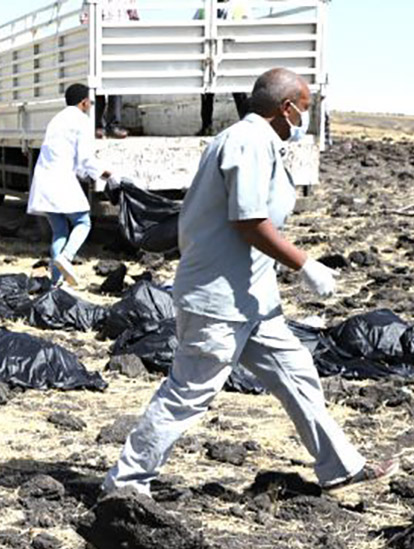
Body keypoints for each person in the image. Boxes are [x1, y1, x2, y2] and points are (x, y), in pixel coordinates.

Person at [102, 68, 398, 497]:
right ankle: (126, 484)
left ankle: (341, 466)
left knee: (297, 374)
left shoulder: (261, 143)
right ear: (286, 108)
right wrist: (305, 264)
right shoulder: (247, 142)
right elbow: (249, 222)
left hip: (254, 300)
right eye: (304, 111)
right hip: (218, 301)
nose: (305, 120)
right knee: (187, 394)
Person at [27, 83, 113, 288]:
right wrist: (102, 172)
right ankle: (66, 256)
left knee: (60, 231)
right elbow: (84, 157)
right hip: (60, 178)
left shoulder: (57, 119)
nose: (91, 106)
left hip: (44, 179)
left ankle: (56, 282)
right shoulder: (81, 121)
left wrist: (86, 172)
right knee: (83, 222)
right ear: (83, 102)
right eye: (90, 102)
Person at [82, 0, 139, 138]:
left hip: (119, 42)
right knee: (98, 86)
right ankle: (97, 125)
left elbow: (135, 18)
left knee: (116, 85)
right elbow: (84, 20)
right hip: (98, 43)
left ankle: (114, 126)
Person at [197, 0, 250, 135]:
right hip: (212, 57)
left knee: (239, 93)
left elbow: (247, 30)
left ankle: (248, 125)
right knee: (207, 92)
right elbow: (196, 28)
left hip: (232, 58)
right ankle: (206, 126)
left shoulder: (239, 6)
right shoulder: (205, 7)